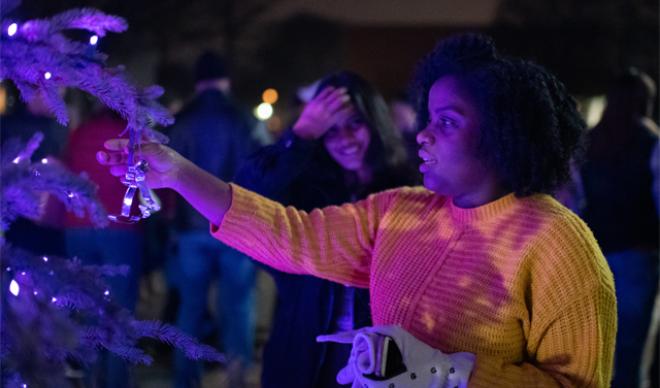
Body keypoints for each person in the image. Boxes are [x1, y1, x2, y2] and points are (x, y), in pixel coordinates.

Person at [98, 34, 617, 387]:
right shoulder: (400, 211)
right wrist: (178, 173)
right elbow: (290, 234)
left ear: (505, 133)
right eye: (427, 117)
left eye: (448, 121)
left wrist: (444, 373)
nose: (423, 133)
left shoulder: (558, 244)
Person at [234, 71, 415, 388]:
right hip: (304, 341)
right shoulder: (305, 187)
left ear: (375, 121)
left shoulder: (406, 187)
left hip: (380, 349)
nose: (344, 139)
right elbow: (247, 198)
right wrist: (301, 134)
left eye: (355, 124)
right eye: (330, 131)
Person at [166, 50, 258, 388]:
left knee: (190, 306)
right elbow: (262, 167)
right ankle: (237, 375)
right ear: (226, 80)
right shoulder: (243, 118)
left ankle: (185, 377)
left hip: (190, 231)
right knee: (238, 306)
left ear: (197, 81)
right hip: (237, 227)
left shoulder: (182, 120)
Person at [580, 68, 659, 388]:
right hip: (636, 256)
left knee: (591, 351)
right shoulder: (651, 142)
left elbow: (572, 200)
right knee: (628, 354)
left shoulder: (588, 141)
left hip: (590, 256)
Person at [62, 108, 144, 388]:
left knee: (87, 307)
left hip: (77, 227)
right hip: (119, 230)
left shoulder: (80, 132)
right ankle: (116, 381)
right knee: (119, 311)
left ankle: (89, 379)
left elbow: (67, 169)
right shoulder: (132, 134)